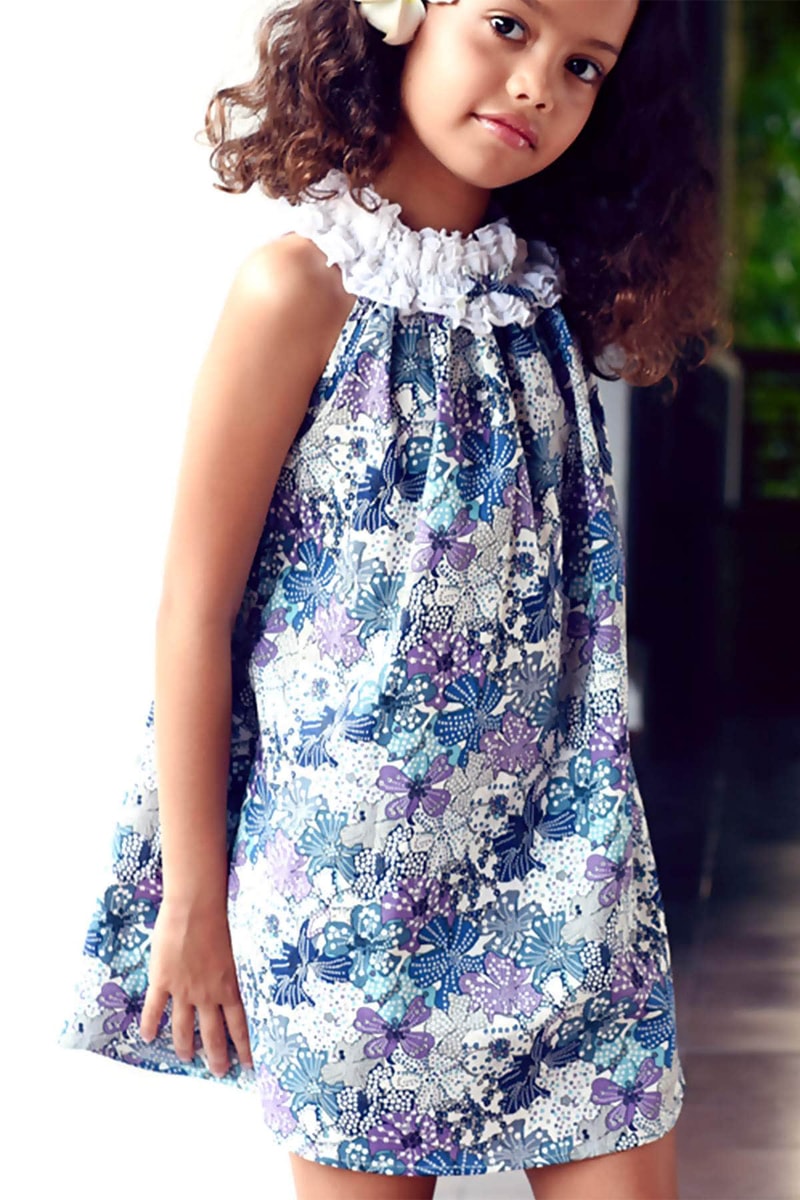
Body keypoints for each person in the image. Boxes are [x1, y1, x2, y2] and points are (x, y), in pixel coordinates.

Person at [58, 1, 722, 1197]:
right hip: (344, 895)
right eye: (508, 24)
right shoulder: (294, 292)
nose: (538, 83)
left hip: (572, 871)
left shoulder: (547, 310)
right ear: (404, 13)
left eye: (583, 65)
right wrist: (191, 903)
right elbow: (193, 615)